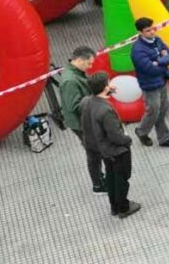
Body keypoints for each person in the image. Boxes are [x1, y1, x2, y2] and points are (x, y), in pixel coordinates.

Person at [81, 72, 140, 218]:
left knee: (111, 176)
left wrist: (108, 90)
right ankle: (123, 207)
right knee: (121, 179)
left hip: (103, 149)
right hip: (116, 151)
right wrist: (127, 140)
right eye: (108, 83)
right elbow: (115, 136)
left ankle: (114, 206)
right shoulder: (106, 110)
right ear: (105, 87)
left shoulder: (87, 102)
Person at [57, 46, 105, 193]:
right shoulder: (70, 81)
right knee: (93, 153)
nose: (90, 67)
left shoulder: (77, 73)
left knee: (95, 151)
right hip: (81, 123)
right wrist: (97, 98)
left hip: (85, 120)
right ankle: (98, 184)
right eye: (89, 63)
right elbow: (74, 106)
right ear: (79, 60)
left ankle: (99, 178)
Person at [130, 17, 169, 148]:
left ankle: (163, 137)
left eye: (153, 29)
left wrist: (158, 61)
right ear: (140, 32)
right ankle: (143, 131)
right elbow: (150, 69)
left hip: (162, 80)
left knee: (163, 108)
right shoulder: (138, 50)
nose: (152, 32)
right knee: (153, 110)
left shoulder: (157, 40)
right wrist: (163, 60)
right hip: (150, 84)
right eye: (148, 30)